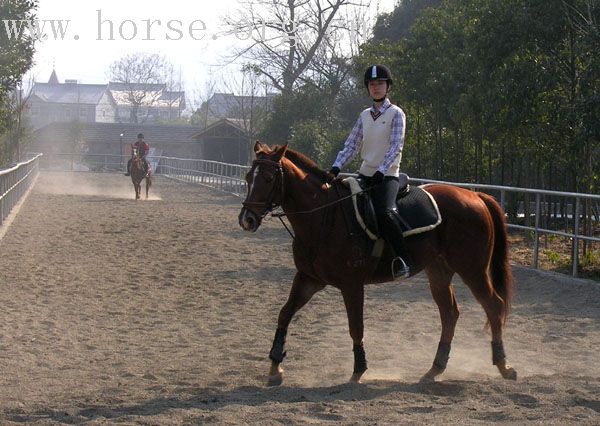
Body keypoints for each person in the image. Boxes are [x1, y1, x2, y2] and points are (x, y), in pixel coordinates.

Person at [329, 64, 411, 279]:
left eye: (380, 83)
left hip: (388, 176)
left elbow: (396, 146)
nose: (376, 88)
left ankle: (403, 259)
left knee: (385, 212)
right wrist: (337, 166)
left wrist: (382, 171)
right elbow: (352, 145)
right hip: (365, 174)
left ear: (387, 87)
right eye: (372, 84)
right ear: (368, 88)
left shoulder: (396, 114)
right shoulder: (364, 115)